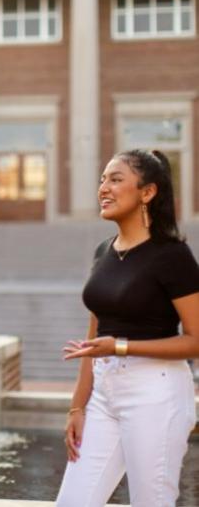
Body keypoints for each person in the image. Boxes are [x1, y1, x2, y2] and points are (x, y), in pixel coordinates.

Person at [56, 149, 199, 507]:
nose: (104, 187)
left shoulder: (172, 255)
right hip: (104, 393)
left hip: (157, 393)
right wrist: (78, 407)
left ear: (147, 192)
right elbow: (93, 337)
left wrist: (121, 346)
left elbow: (196, 341)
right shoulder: (103, 250)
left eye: (116, 179)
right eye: (103, 179)